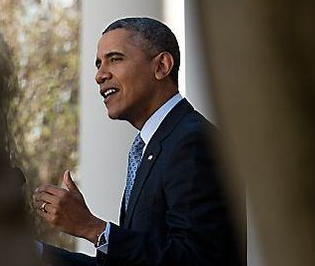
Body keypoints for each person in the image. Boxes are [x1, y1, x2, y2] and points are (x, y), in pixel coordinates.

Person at [34, 17, 243, 266]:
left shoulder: (193, 141)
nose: (100, 75)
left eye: (115, 59)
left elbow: (198, 260)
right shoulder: (150, 147)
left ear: (162, 66)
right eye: (98, 64)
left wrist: (93, 228)